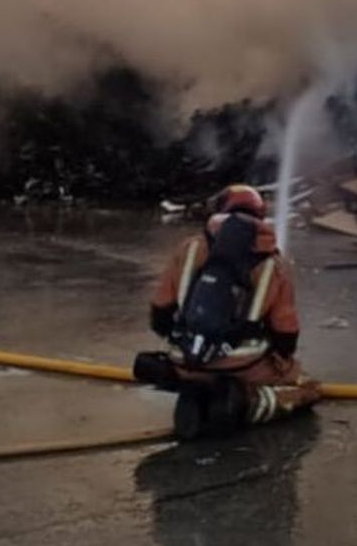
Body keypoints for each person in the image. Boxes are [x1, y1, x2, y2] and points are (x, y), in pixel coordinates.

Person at [133, 184, 322, 440]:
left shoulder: (189, 249)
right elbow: (285, 330)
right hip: (243, 365)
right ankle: (245, 403)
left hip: (186, 358)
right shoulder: (275, 263)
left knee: (193, 373)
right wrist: (282, 360)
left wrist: (188, 341)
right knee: (307, 388)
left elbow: (160, 311)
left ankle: (194, 391)